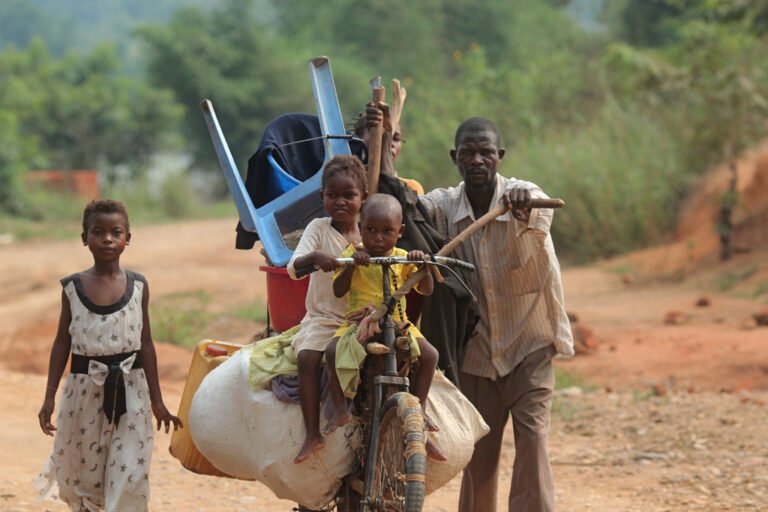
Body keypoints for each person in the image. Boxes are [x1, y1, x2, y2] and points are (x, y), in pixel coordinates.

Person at [418, 117, 574, 511]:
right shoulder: (443, 207)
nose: (477, 160)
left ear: (499, 156)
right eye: (468, 153)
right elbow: (409, 209)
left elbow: (540, 209)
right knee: (479, 460)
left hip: (529, 346)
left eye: (486, 152)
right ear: (454, 158)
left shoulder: (524, 197)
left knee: (533, 443)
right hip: (476, 354)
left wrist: (522, 204)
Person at [36, 199, 182, 511]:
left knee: (130, 471)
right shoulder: (72, 288)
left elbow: (146, 344)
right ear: (84, 238)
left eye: (116, 232)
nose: (107, 239)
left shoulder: (138, 285)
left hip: (132, 391)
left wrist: (157, 402)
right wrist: (49, 397)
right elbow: (62, 343)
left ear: (128, 238)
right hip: (83, 393)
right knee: (86, 476)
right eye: (98, 232)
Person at [324, 193, 447, 461]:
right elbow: (338, 290)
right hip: (360, 322)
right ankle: (339, 408)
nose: (378, 238)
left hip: (398, 323)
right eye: (370, 230)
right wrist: (352, 266)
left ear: (400, 232)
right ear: (360, 228)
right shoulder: (351, 254)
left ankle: (419, 412)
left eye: (386, 231)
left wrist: (422, 266)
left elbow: (426, 290)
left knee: (430, 355)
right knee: (332, 351)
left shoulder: (403, 258)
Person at [288, 154, 368, 464]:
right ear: (322, 196)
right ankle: (312, 433)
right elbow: (294, 267)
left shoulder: (369, 231)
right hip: (324, 318)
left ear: (363, 197)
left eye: (349, 195)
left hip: (363, 316)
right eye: (332, 195)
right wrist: (314, 258)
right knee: (307, 357)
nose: (340, 202)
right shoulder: (319, 229)